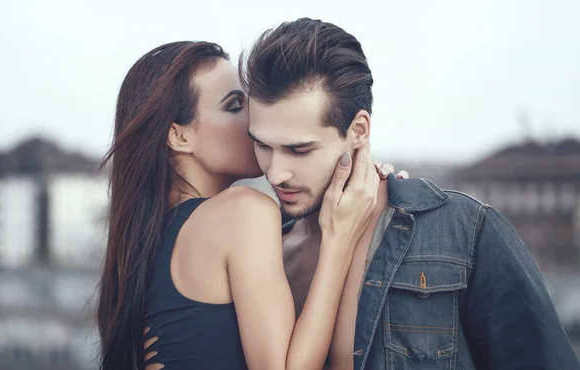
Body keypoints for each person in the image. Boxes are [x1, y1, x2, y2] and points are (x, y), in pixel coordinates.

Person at [239, 17, 580, 369]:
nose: (276, 173)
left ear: (358, 130)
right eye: (263, 145)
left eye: (299, 150)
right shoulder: (260, 252)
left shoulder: (462, 233)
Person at [96, 41, 403, 370]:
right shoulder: (242, 211)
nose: (253, 119)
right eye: (234, 105)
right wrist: (340, 238)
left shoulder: (148, 245)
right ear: (179, 136)